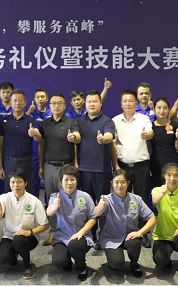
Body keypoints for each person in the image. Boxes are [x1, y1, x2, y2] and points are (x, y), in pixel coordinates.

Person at [94, 169, 156, 278]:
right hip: (111, 237)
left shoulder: (136, 199)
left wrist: (140, 232)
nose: (120, 185)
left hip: (130, 235)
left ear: (128, 183)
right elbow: (96, 213)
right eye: (116, 182)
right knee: (116, 264)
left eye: (123, 182)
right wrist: (100, 207)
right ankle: (113, 259)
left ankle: (134, 264)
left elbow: (152, 218)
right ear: (112, 183)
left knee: (134, 243)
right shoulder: (106, 199)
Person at [113, 89, 154, 248]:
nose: (128, 103)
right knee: (122, 199)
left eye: (131, 101)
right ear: (120, 104)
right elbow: (113, 144)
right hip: (123, 166)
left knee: (142, 199)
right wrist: (115, 165)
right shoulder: (115, 120)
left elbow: (150, 133)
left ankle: (143, 232)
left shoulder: (144, 118)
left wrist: (146, 135)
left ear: (136, 103)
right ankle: (122, 231)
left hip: (141, 165)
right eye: (125, 101)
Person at [38, 93, 80, 246]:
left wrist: (74, 138)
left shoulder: (71, 122)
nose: (56, 106)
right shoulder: (45, 123)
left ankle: (70, 230)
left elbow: (77, 139)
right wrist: (41, 166)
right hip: (49, 165)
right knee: (52, 199)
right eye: (53, 103)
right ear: (49, 106)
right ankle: (53, 232)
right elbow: (41, 145)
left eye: (59, 103)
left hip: (66, 166)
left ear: (64, 106)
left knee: (68, 199)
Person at [76, 90, 116, 244]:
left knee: (102, 204)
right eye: (89, 102)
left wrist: (103, 138)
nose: (92, 104)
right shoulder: (79, 122)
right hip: (83, 170)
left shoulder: (107, 121)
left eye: (95, 101)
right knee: (87, 205)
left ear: (100, 103)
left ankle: (103, 236)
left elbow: (109, 136)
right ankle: (89, 234)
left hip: (102, 170)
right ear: (85, 104)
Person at [0, 168, 49, 280]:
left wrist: (29, 232)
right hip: (9, 235)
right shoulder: (4, 197)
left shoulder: (34, 201)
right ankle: (13, 255)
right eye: (13, 182)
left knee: (19, 240)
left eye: (19, 182)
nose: (16, 185)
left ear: (26, 183)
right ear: (9, 183)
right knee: (3, 258)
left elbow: (45, 225)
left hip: (29, 236)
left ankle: (27, 265)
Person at [47, 165, 96, 281]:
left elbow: (93, 218)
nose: (69, 183)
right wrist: (55, 206)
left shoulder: (85, 197)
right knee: (59, 261)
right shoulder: (55, 196)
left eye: (72, 179)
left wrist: (80, 233)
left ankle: (81, 267)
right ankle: (67, 261)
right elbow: (49, 212)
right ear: (61, 182)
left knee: (75, 245)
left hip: (81, 236)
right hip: (62, 236)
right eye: (66, 180)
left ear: (77, 181)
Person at [151, 162, 178, 282]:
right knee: (160, 260)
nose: (172, 178)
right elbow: (154, 201)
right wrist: (162, 194)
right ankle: (167, 260)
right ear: (164, 175)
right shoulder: (157, 190)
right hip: (162, 236)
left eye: (176, 175)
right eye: (169, 175)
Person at [0, 89, 40, 194]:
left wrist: (35, 133)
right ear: (10, 103)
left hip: (26, 162)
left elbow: (38, 138)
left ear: (25, 103)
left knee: (27, 193)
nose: (17, 103)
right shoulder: (4, 121)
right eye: (15, 100)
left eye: (20, 100)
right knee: (9, 193)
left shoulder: (31, 120)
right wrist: (1, 167)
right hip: (9, 162)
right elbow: (0, 145)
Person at [149, 97, 178, 189]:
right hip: (157, 164)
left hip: (173, 163)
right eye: (159, 108)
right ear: (154, 109)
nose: (162, 111)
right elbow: (149, 148)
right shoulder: (150, 126)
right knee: (159, 191)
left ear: (168, 109)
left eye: (165, 108)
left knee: (174, 190)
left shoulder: (174, 125)